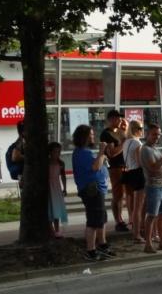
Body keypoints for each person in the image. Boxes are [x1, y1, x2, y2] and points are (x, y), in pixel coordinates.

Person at [71, 124, 114, 262]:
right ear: (83, 137)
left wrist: (102, 156)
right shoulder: (82, 153)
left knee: (101, 218)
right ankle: (91, 250)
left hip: (97, 189)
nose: (93, 137)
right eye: (90, 135)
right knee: (94, 220)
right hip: (92, 190)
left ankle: (102, 244)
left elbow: (97, 164)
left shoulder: (84, 152)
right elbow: (95, 166)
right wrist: (101, 152)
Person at [141, 124, 162, 254]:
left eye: (158, 134)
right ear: (147, 135)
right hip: (154, 186)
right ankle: (148, 244)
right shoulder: (145, 149)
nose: (157, 137)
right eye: (154, 134)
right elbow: (153, 167)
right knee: (152, 215)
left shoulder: (155, 149)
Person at [100, 109, 128, 232]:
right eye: (117, 118)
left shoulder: (121, 132)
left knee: (123, 195)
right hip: (115, 167)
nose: (120, 120)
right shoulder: (107, 134)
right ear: (111, 119)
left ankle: (121, 219)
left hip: (125, 166)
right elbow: (111, 153)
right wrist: (124, 144)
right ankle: (118, 220)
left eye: (120, 118)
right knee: (118, 195)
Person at [121, 120, 146, 242]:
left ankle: (138, 231)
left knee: (136, 206)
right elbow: (140, 161)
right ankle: (137, 234)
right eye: (140, 128)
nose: (142, 130)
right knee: (138, 207)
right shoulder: (136, 142)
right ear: (135, 130)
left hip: (129, 173)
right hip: (138, 173)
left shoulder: (126, 142)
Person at [48, 142, 68, 238]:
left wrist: (65, 188)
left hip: (56, 188)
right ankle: (51, 230)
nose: (57, 154)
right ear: (50, 152)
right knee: (49, 208)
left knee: (57, 208)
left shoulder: (61, 163)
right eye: (55, 152)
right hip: (48, 187)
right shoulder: (46, 163)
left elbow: (63, 176)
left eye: (59, 152)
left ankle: (57, 230)